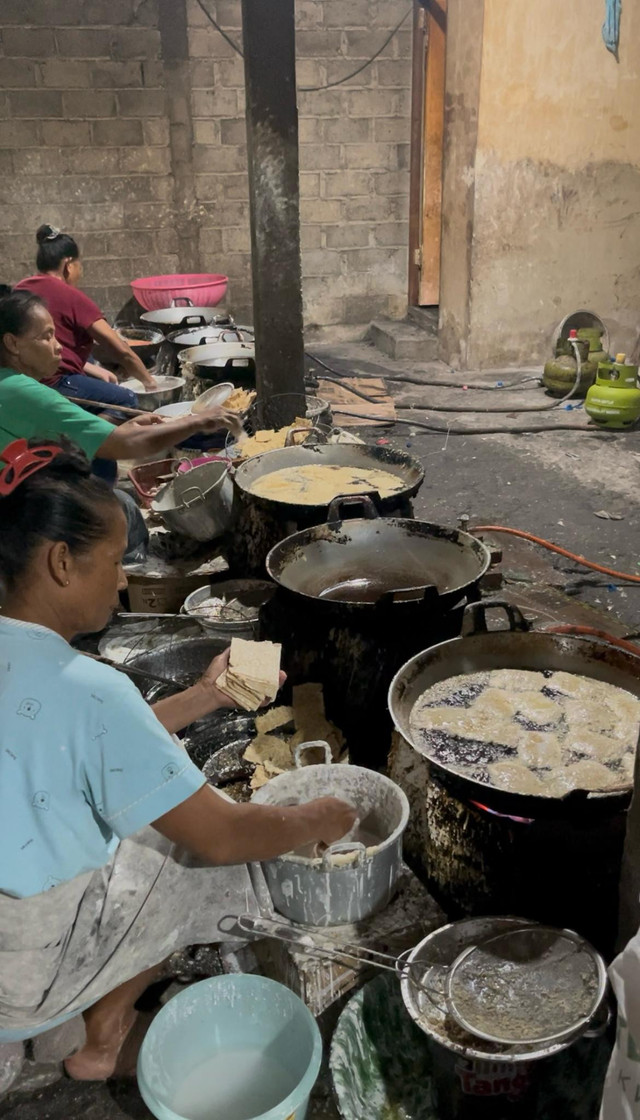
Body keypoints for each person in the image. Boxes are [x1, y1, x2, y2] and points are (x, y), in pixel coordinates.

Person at [0, 438, 356, 1081]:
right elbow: (222, 837)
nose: (122, 580)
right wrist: (319, 816)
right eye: (113, 562)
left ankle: (94, 1021)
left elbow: (91, 749)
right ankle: (98, 1030)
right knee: (210, 854)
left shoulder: (36, 672)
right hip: (21, 973)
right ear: (60, 562)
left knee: (150, 818)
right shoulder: (88, 688)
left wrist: (203, 697)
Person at [0, 289, 241, 470]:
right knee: (120, 508)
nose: (59, 347)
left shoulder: (9, 384)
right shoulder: (23, 392)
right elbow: (127, 445)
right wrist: (199, 421)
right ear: (12, 343)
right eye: (46, 337)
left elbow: (116, 437)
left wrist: (121, 429)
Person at [15, 224, 157, 412]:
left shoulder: (20, 290)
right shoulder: (70, 296)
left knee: (88, 357)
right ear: (68, 265)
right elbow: (120, 349)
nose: (80, 272)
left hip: (22, 380)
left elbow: (62, 351)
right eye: (79, 265)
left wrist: (95, 369)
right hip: (53, 383)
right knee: (126, 400)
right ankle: (96, 437)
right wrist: (150, 383)